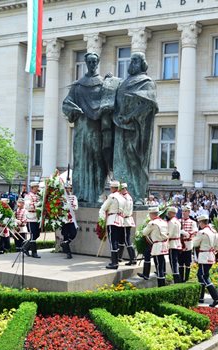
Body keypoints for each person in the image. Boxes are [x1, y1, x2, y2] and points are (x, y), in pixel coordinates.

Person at [62, 52, 112, 203]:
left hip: (97, 128)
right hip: (82, 128)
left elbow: (110, 101)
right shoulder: (78, 85)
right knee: (81, 160)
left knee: (97, 160)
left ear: (98, 63)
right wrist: (73, 109)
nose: (91, 64)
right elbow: (66, 102)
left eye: (94, 62)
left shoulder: (104, 83)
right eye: (89, 62)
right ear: (85, 63)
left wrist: (112, 84)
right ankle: (81, 193)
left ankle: (97, 193)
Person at [111, 52, 158, 203]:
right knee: (120, 161)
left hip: (136, 129)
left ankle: (137, 195)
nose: (132, 64)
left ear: (143, 64)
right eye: (131, 61)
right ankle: (120, 193)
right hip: (120, 126)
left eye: (135, 61)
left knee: (135, 161)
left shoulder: (147, 82)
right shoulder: (124, 82)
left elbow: (148, 104)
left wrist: (130, 116)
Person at [193, 214, 218, 307]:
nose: (199, 224)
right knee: (204, 275)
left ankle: (216, 298)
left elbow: (195, 243)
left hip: (204, 256)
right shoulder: (214, 231)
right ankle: (201, 297)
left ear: (201, 222)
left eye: (199, 223)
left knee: (202, 276)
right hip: (211, 256)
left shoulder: (202, 232)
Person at [138, 207, 169, 287]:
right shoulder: (164, 222)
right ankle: (162, 284)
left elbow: (144, 233)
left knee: (159, 266)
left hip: (157, 245)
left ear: (151, 214)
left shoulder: (152, 223)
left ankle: (161, 286)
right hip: (164, 244)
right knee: (161, 264)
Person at [99, 180, 126, 269]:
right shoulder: (122, 197)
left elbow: (103, 208)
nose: (110, 189)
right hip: (120, 221)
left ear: (113, 188)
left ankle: (114, 263)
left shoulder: (112, 196)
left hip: (112, 220)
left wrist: (102, 221)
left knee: (113, 242)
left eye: (110, 187)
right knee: (117, 241)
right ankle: (116, 260)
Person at [117, 182, 137, 265]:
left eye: (120, 189)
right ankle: (119, 257)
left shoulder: (126, 198)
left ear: (123, 189)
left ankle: (133, 258)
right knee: (121, 239)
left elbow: (125, 210)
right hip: (123, 220)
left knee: (126, 240)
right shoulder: (126, 197)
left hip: (125, 220)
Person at [22, 182, 42, 258]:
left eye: (37, 186)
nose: (37, 188)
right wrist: (37, 204)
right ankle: (34, 253)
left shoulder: (39, 196)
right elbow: (27, 206)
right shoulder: (28, 196)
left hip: (37, 217)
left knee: (37, 234)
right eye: (36, 187)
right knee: (33, 234)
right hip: (30, 217)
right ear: (32, 188)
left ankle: (25, 247)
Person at [60, 182, 79, 259]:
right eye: (66, 188)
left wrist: (67, 205)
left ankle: (65, 243)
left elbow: (75, 207)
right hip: (64, 218)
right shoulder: (61, 197)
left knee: (73, 233)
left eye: (69, 188)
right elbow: (61, 208)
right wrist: (67, 206)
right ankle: (68, 253)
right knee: (65, 234)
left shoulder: (73, 197)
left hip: (71, 218)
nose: (68, 190)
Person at [179, 205, 198, 282]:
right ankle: (180, 278)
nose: (184, 213)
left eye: (186, 211)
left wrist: (186, 233)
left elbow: (195, 231)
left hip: (188, 243)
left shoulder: (192, 222)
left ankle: (186, 278)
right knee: (180, 262)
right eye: (183, 211)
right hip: (180, 244)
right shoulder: (179, 221)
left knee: (187, 263)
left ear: (189, 212)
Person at [166, 207, 183, 284]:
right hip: (177, 243)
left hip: (172, 244)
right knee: (175, 262)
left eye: (169, 212)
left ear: (172, 213)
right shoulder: (177, 221)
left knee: (173, 263)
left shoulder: (171, 222)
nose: (168, 214)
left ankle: (177, 280)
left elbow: (169, 234)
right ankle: (177, 279)